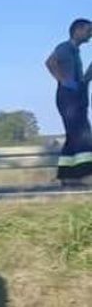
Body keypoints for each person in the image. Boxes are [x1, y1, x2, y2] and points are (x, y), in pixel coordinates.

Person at [46, 18, 92, 184]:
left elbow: (81, 79)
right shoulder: (65, 47)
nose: (90, 34)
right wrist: (64, 81)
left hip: (76, 96)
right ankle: (85, 174)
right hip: (68, 97)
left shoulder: (76, 52)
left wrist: (86, 78)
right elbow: (50, 62)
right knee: (82, 134)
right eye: (88, 30)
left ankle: (66, 175)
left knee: (74, 135)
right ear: (77, 30)